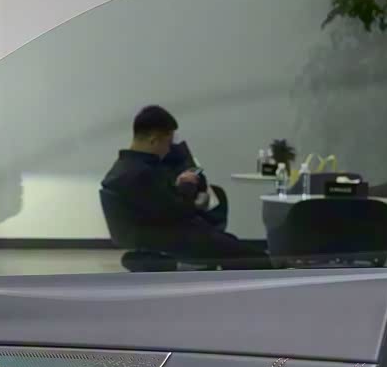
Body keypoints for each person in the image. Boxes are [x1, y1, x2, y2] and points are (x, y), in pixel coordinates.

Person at [100, 105, 269, 268]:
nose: (168, 150)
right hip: (174, 237)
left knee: (232, 244)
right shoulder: (141, 173)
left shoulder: (123, 168)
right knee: (255, 258)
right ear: (153, 140)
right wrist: (187, 188)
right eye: (167, 143)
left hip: (160, 233)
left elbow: (159, 204)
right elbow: (179, 213)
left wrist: (177, 187)